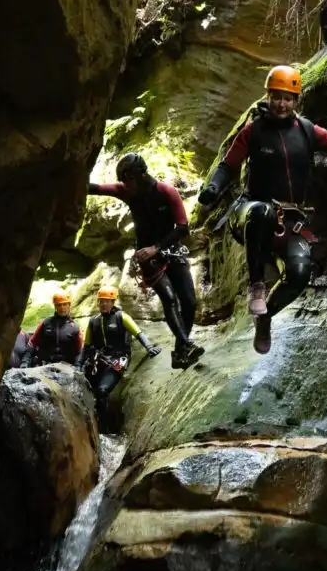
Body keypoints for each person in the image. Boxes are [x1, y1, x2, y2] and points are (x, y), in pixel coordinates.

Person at [197, 64, 327, 353]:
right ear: (268, 96)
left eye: (288, 97)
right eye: (277, 96)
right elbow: (227, 166)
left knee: (298, 274)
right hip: (250, 214)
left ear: (296, 100)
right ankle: (256, 286)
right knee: (262, 212)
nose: (282, 103)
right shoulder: (253, 132)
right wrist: (213, 189)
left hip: (290, 220)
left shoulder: (307, 131)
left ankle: (266, 317)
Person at [88, 154, 205, 369]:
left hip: (170, 251)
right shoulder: (126, 192)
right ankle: (186, 346)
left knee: (189, 302)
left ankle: (180, 349)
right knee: (169, 299)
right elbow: (96, 188)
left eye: (128, 180)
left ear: (141, 175)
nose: (125, 185)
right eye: (123, 181)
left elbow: (182, 227)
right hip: (146, 258)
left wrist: (156, 248)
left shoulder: (165, 191)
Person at [74, 285, 161, 430]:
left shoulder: (121, 317)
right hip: (99, 359)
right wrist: (78, 365)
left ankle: (103, 427)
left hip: (118, 359)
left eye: (107, 301)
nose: (103, 304)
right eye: (101, 301)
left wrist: (149, 347)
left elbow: (138, 333)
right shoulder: (94, 321)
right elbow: (87, 346)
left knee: (102, 390)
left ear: (113, 302)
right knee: (89, 389)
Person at [20, 292, 83, 368]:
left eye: (65, 304)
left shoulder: (75, 327)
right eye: (59, 305)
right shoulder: (46, 323)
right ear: (55, 306)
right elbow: (32, 343)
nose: (62, 308)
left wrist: (77, 367)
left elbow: (79, 351)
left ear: (69, 306)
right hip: (43, 365)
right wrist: (25, 362)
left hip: (64, 368)